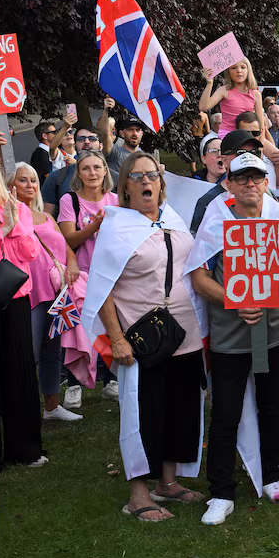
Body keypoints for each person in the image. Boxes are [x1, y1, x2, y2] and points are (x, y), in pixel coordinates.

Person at [190, 154, 279, 525]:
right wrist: (235, 300)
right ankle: (221, 493)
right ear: (231, 185)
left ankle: (272, 477)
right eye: (242, 178)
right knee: (226, 412)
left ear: (266, 183)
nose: (250, 183)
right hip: (230, 335)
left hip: (274, 331)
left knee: (272, 405)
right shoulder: (216, 221)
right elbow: (198, 277)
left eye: (257, 177)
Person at [84, 152, 205, 521]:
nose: (146, 182)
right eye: (137, 177)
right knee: (143, 413)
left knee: (181, 407)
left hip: (185, 333)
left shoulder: (174, 218)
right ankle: (138, 494)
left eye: (152, 175)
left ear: (161, 182)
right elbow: (103, 287)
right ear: (125, 187)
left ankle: (167, 483)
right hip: (142, 338)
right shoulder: (117, 227)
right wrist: (116, 338)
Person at [0, 150, 45, 480]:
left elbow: (30, 252)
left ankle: (25, 449)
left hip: (16, 297)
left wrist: (13, 225)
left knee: (19, 371)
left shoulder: (14, 207)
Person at [12, 162, 82, 422]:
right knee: (28, 353)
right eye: (22, 180)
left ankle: (51, 407)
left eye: (32, 180)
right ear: (10, 185)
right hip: (28, 293)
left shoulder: (47, 217)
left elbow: (65, 249)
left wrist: (72, 266)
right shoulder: (10, 215)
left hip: (56, 292)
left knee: (53, 350)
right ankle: (22, 409)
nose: (30, 185)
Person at [189, 129, 264, 234]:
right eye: (241, 153)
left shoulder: (267, 194)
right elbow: (197, 241)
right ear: (224, 160)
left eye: (254, 152)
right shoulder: (208, 202)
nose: (249, 157)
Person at [58, 150, 118, 276]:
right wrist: (94, 225)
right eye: (85, 169)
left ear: (105, 171)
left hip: (115, 271)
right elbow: (69, 240)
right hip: (85, 273)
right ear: (79, 174)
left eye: (97, 167)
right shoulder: (69, 200)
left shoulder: (116, 200)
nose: (92, 173)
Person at [41, 122, 102, 217]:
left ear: (101, 145)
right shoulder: (56, 176)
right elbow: (47, 219)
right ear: (75, 143)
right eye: (81, 139)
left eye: (92, 139)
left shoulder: (114, 178)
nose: (86, 142)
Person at [200, 58, 263, 138]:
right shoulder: (224, 90)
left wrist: (260, 146)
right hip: (228, 135)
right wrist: (209, 84)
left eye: (243, 67)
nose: (239, 71)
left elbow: (261, 125)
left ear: (248, 71)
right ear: (228, 72)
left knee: (277, 151)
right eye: (234, 68)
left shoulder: (256, 94)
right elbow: (203, 107)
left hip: (249, 135)